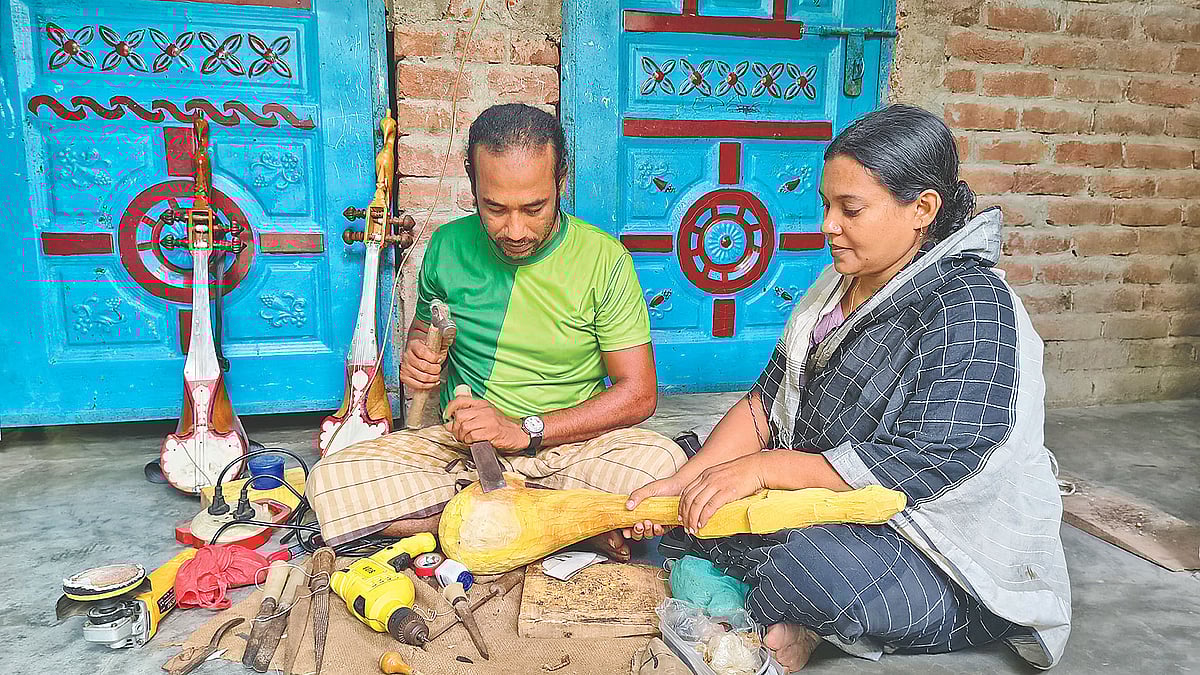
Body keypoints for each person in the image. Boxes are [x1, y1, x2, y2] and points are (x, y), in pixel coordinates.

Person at [626, 104, 1071, 671]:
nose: (827, 226)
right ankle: (792, 615)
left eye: (850, 209)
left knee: (804, 565)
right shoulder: (840, 285)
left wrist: (761, 471)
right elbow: (765, 404)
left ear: (922, 210)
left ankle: (813, 617)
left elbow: (933, 466)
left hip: (928, 539)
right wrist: (681, 483)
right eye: (826, 205)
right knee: (686, 482)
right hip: (822, 494)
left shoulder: (973, 306)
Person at [307, 103, 686, 559]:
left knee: (661, 463)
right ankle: (563, 523)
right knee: (330, 480)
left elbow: (640, 394)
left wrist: (525, 430)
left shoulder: (604, 261)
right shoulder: (447, 246)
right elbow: (425, 331)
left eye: (534, 207)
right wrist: (420, 359)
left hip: (567, 449)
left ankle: (472, 520)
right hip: (463, 452)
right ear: (472, 183)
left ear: (560, 179)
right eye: (495, 208)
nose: (515, 229)